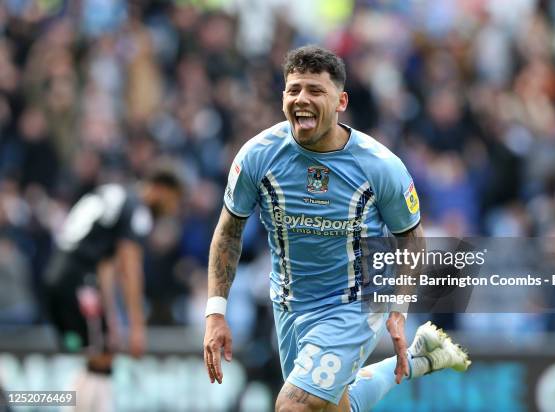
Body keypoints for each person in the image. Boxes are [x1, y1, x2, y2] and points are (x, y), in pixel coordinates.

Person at [203, 46, 470, 412]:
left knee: (294, 406)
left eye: (315, 90)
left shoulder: (379, 166)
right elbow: (229, 232)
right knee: (332, 407)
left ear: (341, 100)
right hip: (289, 304)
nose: (302, 99)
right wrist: (216, 312)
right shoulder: (257, 156)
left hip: (355, 302)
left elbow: (412, 239)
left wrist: (398, 308)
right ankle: (421, 357)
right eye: (294, 89)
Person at [44, 165, 183, 411]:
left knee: (100, 355)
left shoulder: (115, 195)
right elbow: (130, 270)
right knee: (102, 355)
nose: (171, 209)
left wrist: (112, 316)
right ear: (159, 189)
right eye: (172, 201)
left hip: (61, 275)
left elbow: (105, 267)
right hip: (79, 279)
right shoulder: (137, 210)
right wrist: (137, 327)